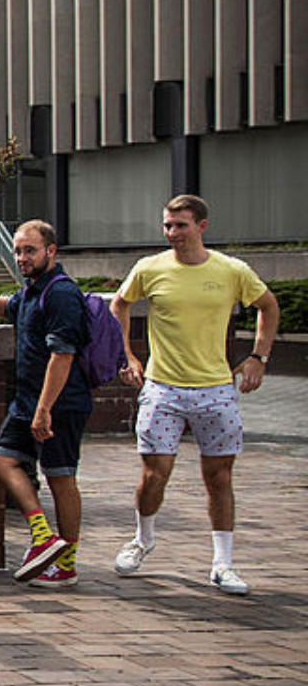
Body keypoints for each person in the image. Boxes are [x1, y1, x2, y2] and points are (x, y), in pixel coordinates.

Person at [111, 194, 279, 595]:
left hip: (215, 389)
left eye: (180, 225)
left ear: (202, 226)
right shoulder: (149, 268)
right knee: (155, 473)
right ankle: (143, 540)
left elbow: (268, 306)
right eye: (167, 225)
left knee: (219, 476)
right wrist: (129, 355)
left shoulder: (231, 270)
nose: (172, 234)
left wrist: (259, 357)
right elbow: (119, 306)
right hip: (162, 387)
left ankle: (222, 564)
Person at [0, 220, 91, 587]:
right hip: (27, 403)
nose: (22, 257)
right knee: (1, 459)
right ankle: (43, 537)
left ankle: (65, 563)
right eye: (19, 250)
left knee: (60, 477)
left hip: (58, 404)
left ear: (51, 251)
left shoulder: (60, 294)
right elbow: (8, 308)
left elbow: (63, 356)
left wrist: (44, 409)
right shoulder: (32, 289)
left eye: (30, 251)